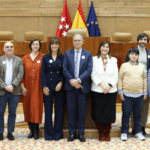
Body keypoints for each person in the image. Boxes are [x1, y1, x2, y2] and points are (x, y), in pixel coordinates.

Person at [63, 33, 93, 142]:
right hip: (70, 88)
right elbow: (65, 69)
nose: (77, 42)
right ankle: (71, 133)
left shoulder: (88, 54)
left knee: (81, 111)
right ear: (72, 42)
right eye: (75, 40)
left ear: (83, 41)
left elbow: (89, 70)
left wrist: (79, 80)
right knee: (70, 111)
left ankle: (81, 133)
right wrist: (72, 81)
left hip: (82, 87)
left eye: (79, 40)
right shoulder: (67, 53)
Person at [91, 40, 118, 141]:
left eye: (107, 47)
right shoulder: (94, 59)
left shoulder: (114, 60)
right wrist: (102, 85)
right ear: (100, 48)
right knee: (99, 112)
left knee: (109, 113)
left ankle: (107, 133)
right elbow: (93, 74)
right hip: (98, 90)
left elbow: (116, 75)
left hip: (111, 90)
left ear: (109, 49)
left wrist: (109, 86)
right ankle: (101, 133)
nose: (105, 49)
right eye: (103, 47)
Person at [118, 48, 147, 141]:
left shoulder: (142, 66)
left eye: (136, 54)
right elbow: (120, 79)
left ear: (138, 56)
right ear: (129, 55)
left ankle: (138, 132)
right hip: (126, 94)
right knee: (126, 114)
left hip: (139, 95)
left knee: (138, 114)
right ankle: (124, 132)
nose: (134, 56)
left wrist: (145, 92)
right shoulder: (124, 65)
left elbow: (145, 80)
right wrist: (120, 91)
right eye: (132, 54)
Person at [125, 33, 150, 135]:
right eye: (141, 39)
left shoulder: (149, 52)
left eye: (145, 39)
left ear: (147, 41)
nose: (143, 41)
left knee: (144, 106)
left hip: (146, 82)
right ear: (138, 40)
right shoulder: (131, 51)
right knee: (133, 106)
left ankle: (142, 127)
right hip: (134, 81)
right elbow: (127, 66)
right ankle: (134, 127)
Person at [0, 42, 24, 141]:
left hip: (14, 91)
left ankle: (10, 132)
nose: (9, 48)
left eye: (11, 47)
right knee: (0, 112)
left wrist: (13, 85)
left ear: (13, 48)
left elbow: (21, 74)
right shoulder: (0, 59)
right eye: (7, 47)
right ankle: (0, 132)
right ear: (3, 49)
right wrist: (5, 86)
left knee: (12, 113)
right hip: (2, 91)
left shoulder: (19, 60)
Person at [20, 39, 44, 140]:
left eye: (37, 44)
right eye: (33, 44)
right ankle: (30, 130)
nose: (35, 46)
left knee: (36, 109)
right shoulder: (24, 58)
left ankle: (36, 131)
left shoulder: (43, 57)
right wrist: (22, 86)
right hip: (27, 87)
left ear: (39, 46)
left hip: (38, 87)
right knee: (28, 108)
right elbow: (21, 74)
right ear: (31, 46)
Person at [41, 37, 64, 141]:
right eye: (52, 44)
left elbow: (64, 72)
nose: (54, 46)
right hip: (48, 87)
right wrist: (44, 86)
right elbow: (43, 73)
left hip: (59, 87)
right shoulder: (45, 57)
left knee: (59, 111)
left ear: (58, 45)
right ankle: (49, 134)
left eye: (56, 44)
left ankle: (58, 134)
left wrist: (61, 82)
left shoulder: (62, 57)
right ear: (50, 45)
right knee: (48, 111)